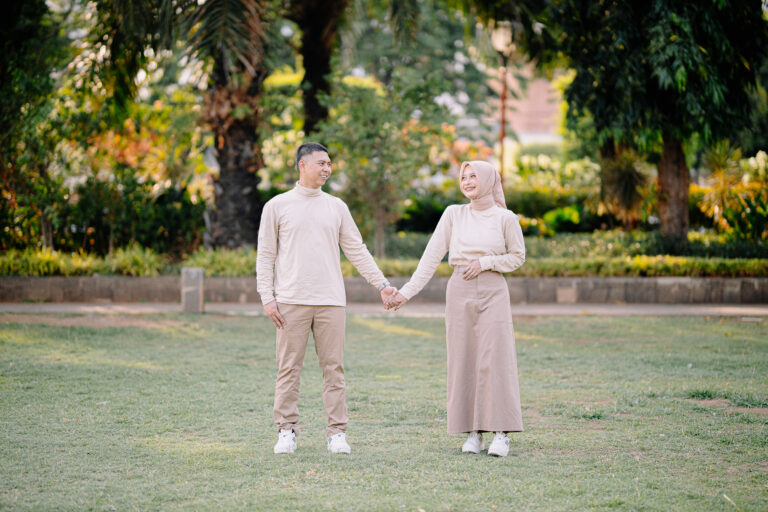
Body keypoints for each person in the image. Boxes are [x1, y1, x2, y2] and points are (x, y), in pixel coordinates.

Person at [256, 142, 397, 455]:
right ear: (302, 165)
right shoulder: (277, 206)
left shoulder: (336, 207)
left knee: (334, 369)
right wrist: (267, 297)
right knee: (288, 369)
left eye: (329, 163)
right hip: (290, 301)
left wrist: (382, 284)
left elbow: (356, 249)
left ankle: (337, 433)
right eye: (321, 163)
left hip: (331, 301)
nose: (327, 169)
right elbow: (265, 255)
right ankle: (286, 430)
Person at [385, 160, 525, 457]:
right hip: (459, 290)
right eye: (464, 177)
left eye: (474, 176)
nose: (468, 181)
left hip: (493, 291)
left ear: (488, 180)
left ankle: (501, 433)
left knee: (496, 359)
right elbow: (430, 258)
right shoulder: (453, 214)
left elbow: (517, 256)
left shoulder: (505, 217)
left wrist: (485, 262)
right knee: (464, 359)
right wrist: (405, 293)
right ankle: (472, 433)